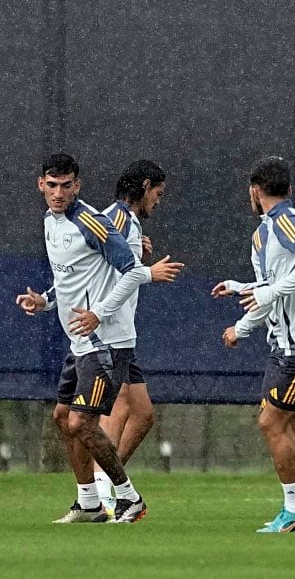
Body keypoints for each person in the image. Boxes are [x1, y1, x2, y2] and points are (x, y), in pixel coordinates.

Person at [15, 153, 182, 524]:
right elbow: (73, 277)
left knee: (84, 423)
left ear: (78, 185)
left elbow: (131, 271)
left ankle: (127, 498)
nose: (59, 193)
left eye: (66, 185)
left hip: (106, 341)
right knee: (64, 418)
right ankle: (89, 503)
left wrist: (101, 312)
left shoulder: (95, 221)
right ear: (41, 185)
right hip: (81, 342)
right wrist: (44, 302)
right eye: (52, 185)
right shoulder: (52, 221)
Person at [213, 157, 295, 533]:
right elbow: (274, 291)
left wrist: (269, 291)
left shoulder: (288, 222)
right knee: (294, 416)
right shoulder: (264, 233)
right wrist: (242, 320)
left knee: (271, 421)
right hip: (290, 344)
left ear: (255, 191)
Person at [90, 160, 168, 514]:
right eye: (158, 194)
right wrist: (146, 269)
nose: (158, 201)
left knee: (143, 414)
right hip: (107, 329)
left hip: (122, 330)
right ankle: (105, 492)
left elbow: (116, 261)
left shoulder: (128, 223)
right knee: (119, 404)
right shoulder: (118, 218)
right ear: (145, 185)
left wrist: (136, 252)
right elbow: (96, 263)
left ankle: (111, 481)